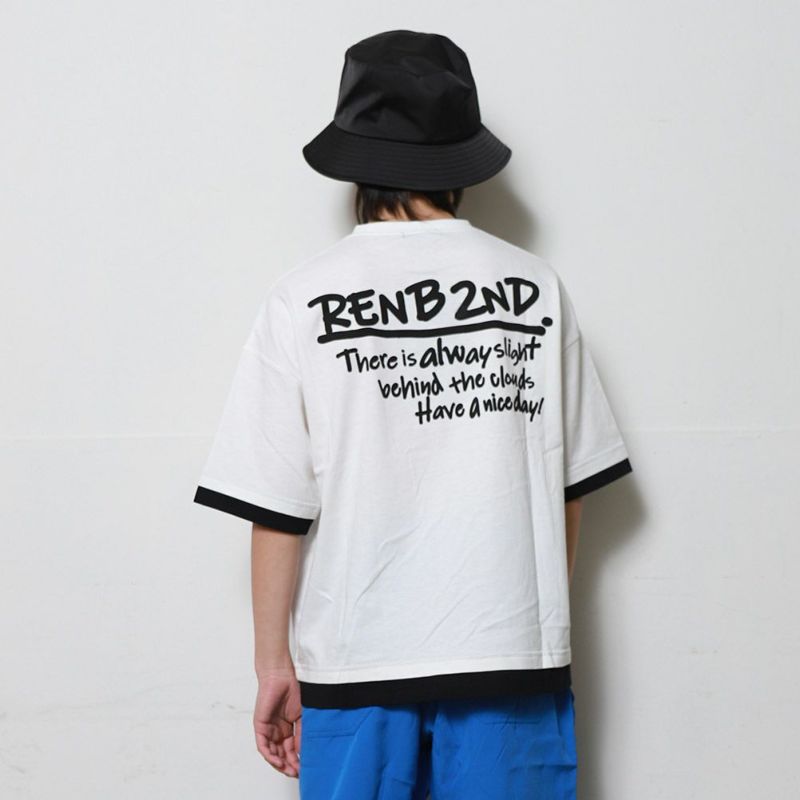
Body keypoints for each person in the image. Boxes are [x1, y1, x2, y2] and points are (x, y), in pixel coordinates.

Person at [193, 29, 633, 800]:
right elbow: (570, 488)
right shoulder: (533, 287)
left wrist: (272, 666)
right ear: (460, 158)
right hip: (510, 658)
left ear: (354, 159)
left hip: (356, 660)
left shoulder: (302, 298)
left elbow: (275, 507)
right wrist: (529, 620)